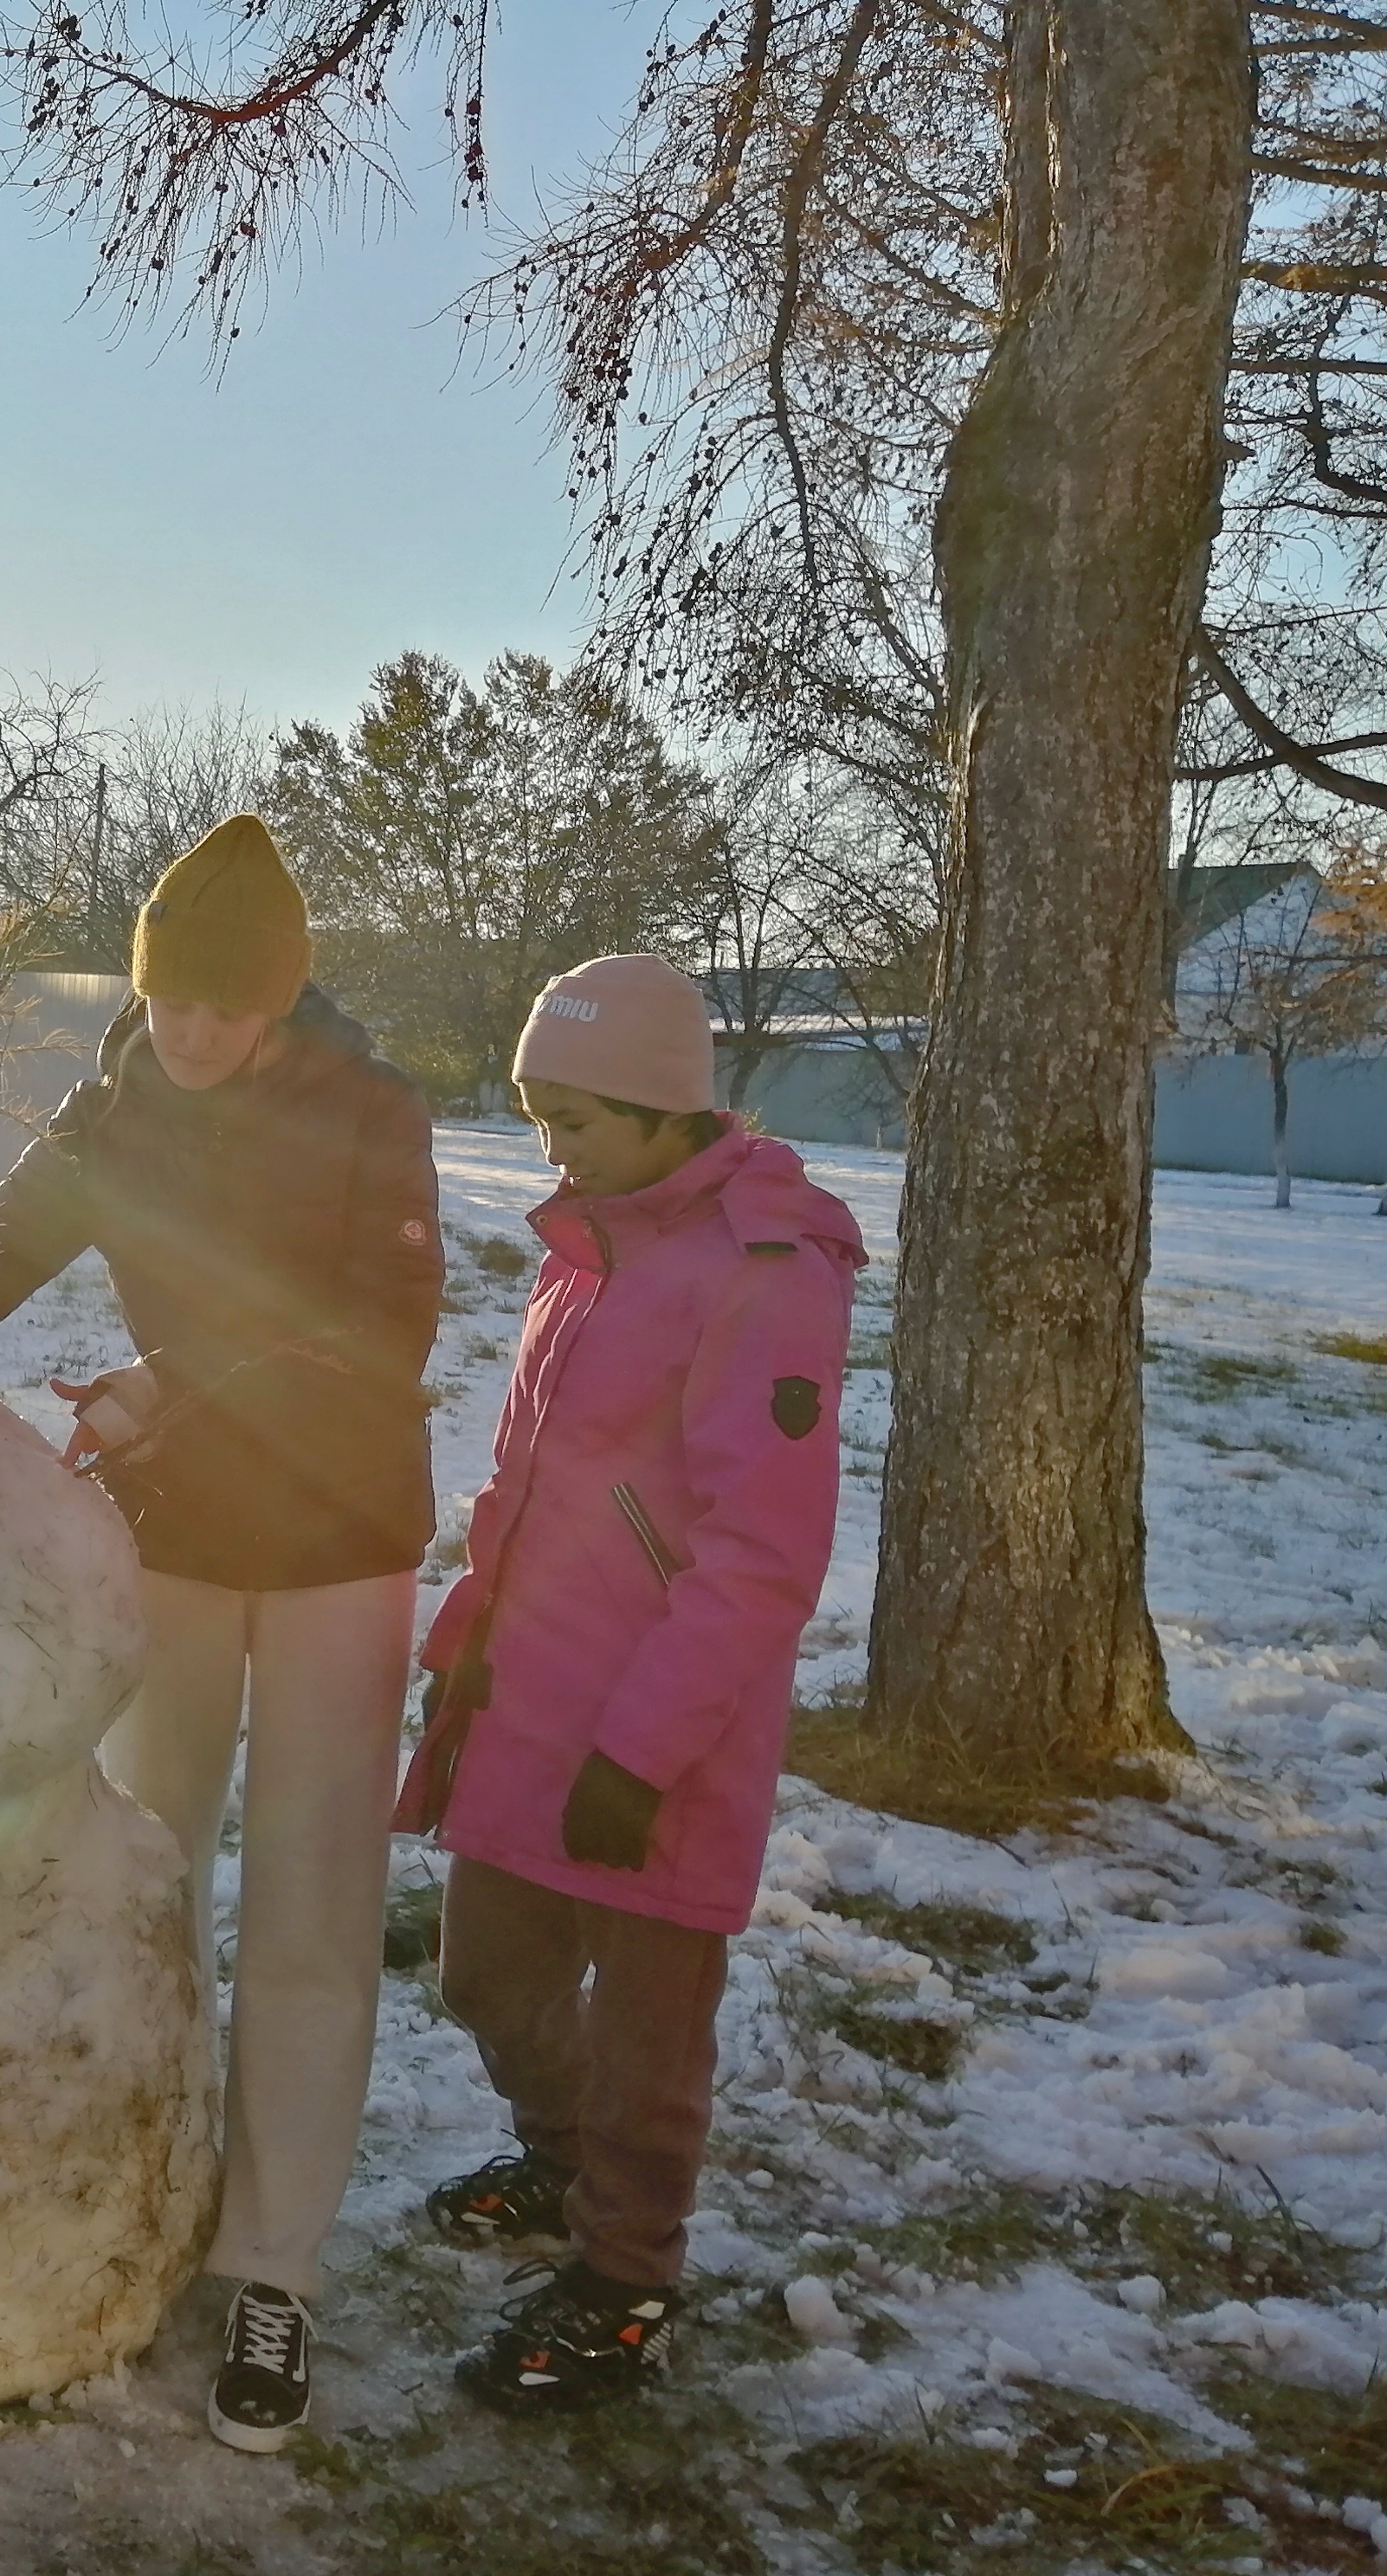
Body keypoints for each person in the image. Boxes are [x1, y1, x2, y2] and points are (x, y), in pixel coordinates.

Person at [0, 815, 444, 2455]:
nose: (186, 1033)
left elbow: (385, 1331)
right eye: (165, 997)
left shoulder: (368, 1112)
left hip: (334, 1546)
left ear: (278, 1002)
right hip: (172, 1541)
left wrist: (184, 1381)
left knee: (311, 1906)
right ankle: (143, 2192)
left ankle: (269, 2266)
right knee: (143, 1876)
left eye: (220, 1010)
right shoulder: (110, 1103)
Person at [397, 952, 862, 2415]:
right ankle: (560, 2156)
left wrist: (644, 1751)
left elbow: (759, 1554)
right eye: (536, 1115)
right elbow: (530, 1479)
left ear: (669, 1111)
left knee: (650, 2030)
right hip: (531, 1694)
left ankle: (625, 2277)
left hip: (666, 1732)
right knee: (486, 1970)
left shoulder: (763, 1274)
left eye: (576, 1116)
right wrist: (462, 1655)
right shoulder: (588, 1241)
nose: (551, 1146)